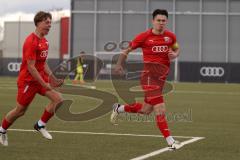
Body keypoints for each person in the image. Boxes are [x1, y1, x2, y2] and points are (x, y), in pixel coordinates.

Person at [110, 9, 182, 150]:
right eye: (158, 20)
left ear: (166, 22)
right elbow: (126, 51)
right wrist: (119, 65)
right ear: (153, 21)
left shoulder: (170, 37)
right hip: (149, 78)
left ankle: (119, 108)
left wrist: (175, 54)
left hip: (161, 79)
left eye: (163, 21)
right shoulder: (143, 37)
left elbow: (177, 48)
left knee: (145, 110)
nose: (161, 23)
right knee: (160, 108)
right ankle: (171, 141)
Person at [0, 11, 64, 146]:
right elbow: (31, 67)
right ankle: (2, 130)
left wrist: (53, 78)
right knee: (20, 111)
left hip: (39, 80)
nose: (49, 25)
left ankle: (40, 125)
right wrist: (44, 83)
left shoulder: (45, 41)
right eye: (47, 22)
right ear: (38, 22)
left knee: (58, 99)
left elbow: (43, 63)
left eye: (50, 23)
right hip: (28, 82)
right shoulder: (31, 41)